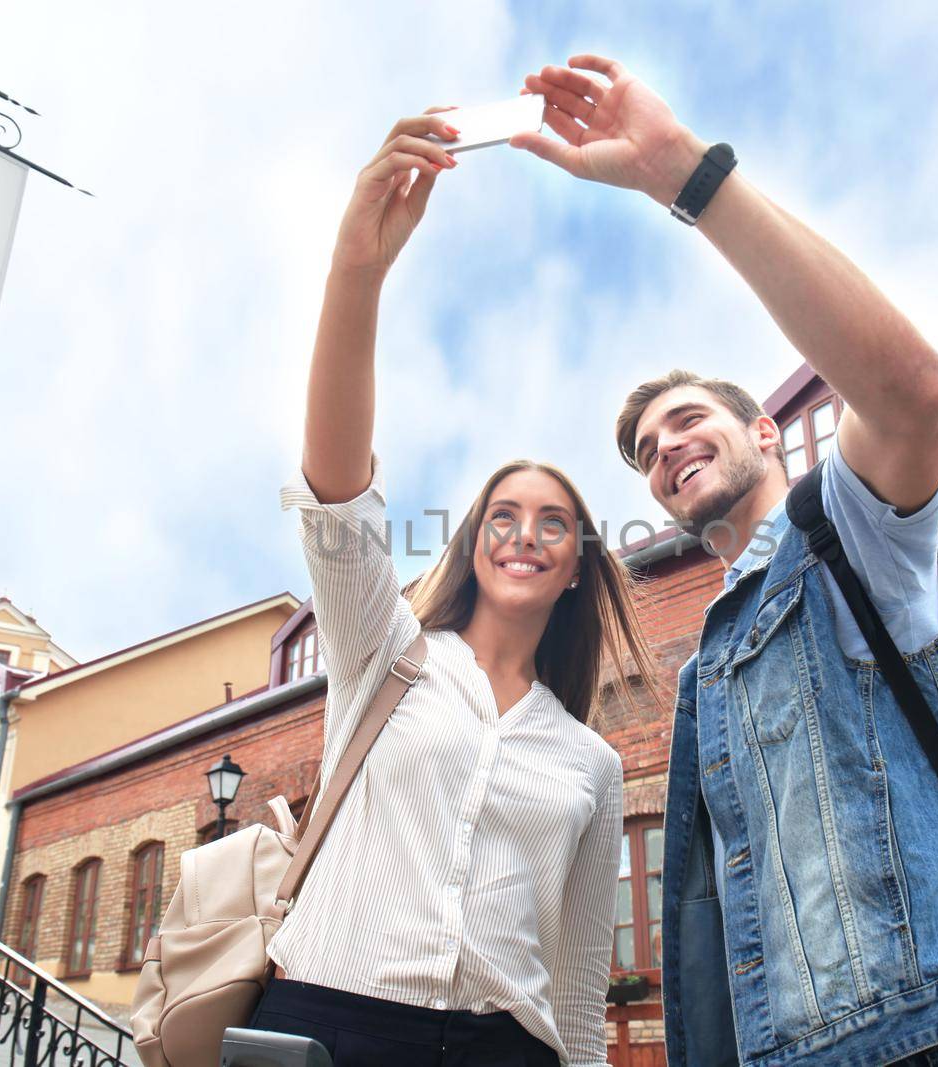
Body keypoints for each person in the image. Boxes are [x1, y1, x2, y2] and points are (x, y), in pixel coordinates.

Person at [511, 55, 938, 1065]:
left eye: (686, 421)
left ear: (768, 432)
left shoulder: (852, 537)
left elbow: (906, 390)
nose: (664, 448)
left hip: (933, 1037)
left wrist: (683, 170)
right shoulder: (715, 654)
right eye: (644, 452)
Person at [245, 108, 657, 1067]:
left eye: (554, 521)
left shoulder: (590, 763)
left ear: (579, 565)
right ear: (473, 544)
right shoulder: (382, 650)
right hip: (327, 1022)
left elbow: (583, 975)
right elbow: (336, 493)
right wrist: (361, 268)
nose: (526, 533)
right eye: (504, 515)